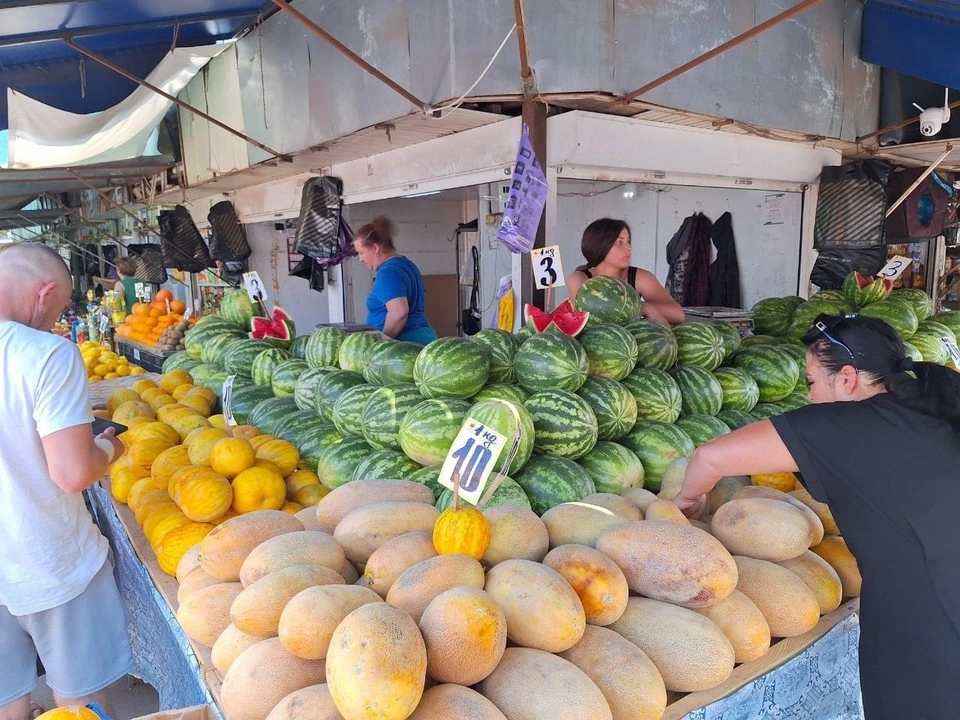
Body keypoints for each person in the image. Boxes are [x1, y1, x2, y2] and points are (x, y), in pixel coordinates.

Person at [674, 313, 960, 720]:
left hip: (925, 618)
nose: (809, 397)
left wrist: (686, 501)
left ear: (846, 378)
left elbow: (710, 457)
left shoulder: (844, 425)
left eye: (811, 382)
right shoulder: (928, 408)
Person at [0, 243, 133, 720]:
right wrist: (111, 447)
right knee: (79, 701)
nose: (54, 321)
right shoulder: (45, 354)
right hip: (48, 562)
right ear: (46, 292)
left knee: (8, 699)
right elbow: (73, 473)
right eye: (57, 310)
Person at [566, 218, 685, 326]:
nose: (628, 247)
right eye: (620, 242)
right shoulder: (580, 279)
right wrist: (637, 308)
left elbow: (678, 314)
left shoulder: (640, 277)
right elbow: (590, 316)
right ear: (600, 246)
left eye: (628, 241)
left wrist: (644, 307)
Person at [355, 215, 438, 344]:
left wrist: (381, 343)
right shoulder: (406, 264)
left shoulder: (388, 273)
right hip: (422, 336)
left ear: (375, 248)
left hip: (406, 343)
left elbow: (399, 312)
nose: (360, 259)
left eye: (361, 252)